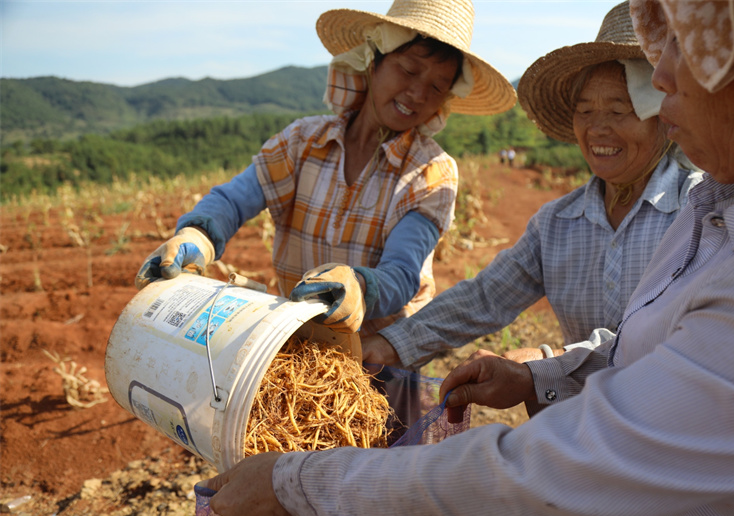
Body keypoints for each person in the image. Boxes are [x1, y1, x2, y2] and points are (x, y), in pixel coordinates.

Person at [201, 0, 734, 516]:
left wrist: (297, 486)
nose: (662, 76)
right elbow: (597, 339)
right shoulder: (712, 212)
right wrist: (531, 376)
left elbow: (565, 470)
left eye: (684, 45)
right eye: (589, 110)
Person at [363, 0, 700, 403]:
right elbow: (485, 297)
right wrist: (392, 345)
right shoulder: (558, 223)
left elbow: (662, 332)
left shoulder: (698, 210)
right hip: (578, 432)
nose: (598, 128)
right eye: (585, 110)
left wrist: (543, 366)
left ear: (661, 114)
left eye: (620, 109)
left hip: (675, 426)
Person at [134, 0, 516, 340]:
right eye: (409, 70)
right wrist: (198, 235)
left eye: (436, 86)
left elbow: (402, 273)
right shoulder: (303, 141)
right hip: (292, 339)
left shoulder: (430, 172)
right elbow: (235, 199)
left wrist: (359, 285)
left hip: (376, 353)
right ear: (374, 61)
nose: (418, 94)